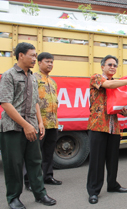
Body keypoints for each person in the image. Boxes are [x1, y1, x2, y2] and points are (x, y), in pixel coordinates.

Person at [0, 42, 56, 209]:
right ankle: (13, 198)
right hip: (12, 128)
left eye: (35, 55)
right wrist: (25, 125)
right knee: (14, 165)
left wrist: (40, 122)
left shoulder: (32, 77)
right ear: (21, 55)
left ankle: (40, 194)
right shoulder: (9, 75)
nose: (34, 58)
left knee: (35, 162)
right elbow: (5, 103)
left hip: (31, 127)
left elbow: (36, 102)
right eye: (32, 55)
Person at [86, 55, 127, 204]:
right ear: (102, 67)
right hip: (98, 125)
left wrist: (125, 111)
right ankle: (93, 191)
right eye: (110, 64)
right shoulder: (97, 78)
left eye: (115, 65)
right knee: (96, 161)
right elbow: (108, 86)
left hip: (113, 127)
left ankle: (112, 185)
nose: (112, 67)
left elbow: (117, 105)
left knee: (113, 160)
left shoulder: (116, 84)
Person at [24, 52, 62, 192]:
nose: (50, 64)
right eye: (47, 61)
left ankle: (47, 176)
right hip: (38, 123)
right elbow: (32, 101)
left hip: (52, 123)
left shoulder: (52, 82)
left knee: (48, 152)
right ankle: (29, 180)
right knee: (34, 154)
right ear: (39, 62)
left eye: (52, 62)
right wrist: (37, 121)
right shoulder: (33, 78)